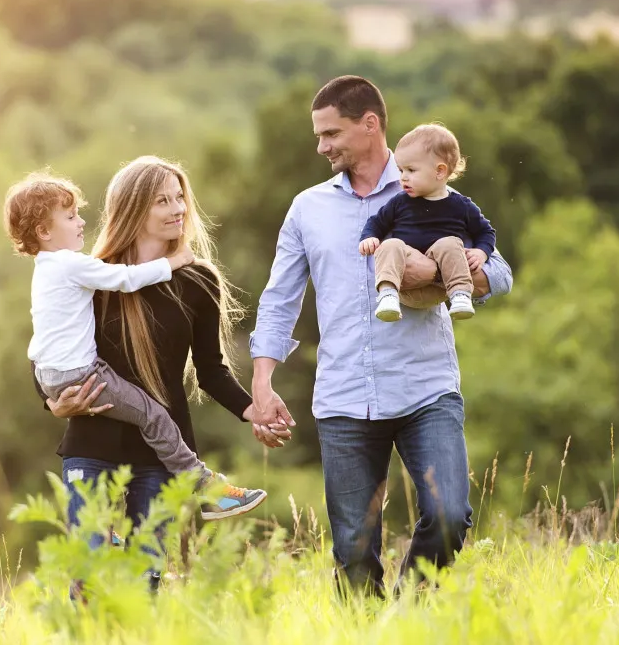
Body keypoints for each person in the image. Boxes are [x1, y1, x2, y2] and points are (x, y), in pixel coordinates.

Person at [248, 76, 514, 598]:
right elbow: (280, 298)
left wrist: (438, 276)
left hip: (426, 388)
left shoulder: (437, 192)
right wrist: (262, 382)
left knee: (448, 515)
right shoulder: (308, 208)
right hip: (344, 396)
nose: (322, 146)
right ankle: (367, 630)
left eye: (331, 133)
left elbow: (499, 273)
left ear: (370, 125)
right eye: (319, 136)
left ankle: (408, 617)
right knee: (352, 549)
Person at [31, 156, 272, 592]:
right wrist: (51, 400)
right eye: (163, 200)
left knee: (146, 582)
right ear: (135, 208)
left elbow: (211, 370)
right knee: (89, 577)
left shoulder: (199, 280)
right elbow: (50, 346)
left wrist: (253, 410)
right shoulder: (97, 274)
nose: (177, 208)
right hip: (92, 441)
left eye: (180, 197)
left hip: (160, 454)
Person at [358, 122, 497, 322]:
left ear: (440, 171)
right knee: (391, 244)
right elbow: (376, 222)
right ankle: (387, 294)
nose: (402, 178)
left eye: (411, 170)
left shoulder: (461, 205)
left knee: (450, 243)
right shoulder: (400, 202)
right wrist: (369, 237)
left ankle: (461, 295)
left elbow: (486, 232)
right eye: (400, 170)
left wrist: (481, 252)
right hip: (406, 286)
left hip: (443, 289)